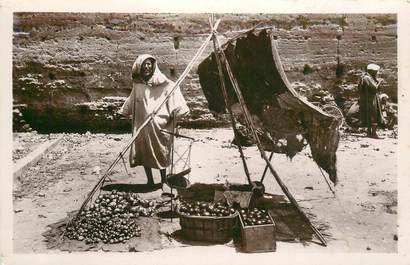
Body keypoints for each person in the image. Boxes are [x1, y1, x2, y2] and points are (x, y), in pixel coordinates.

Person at [118, 54, 190, 186]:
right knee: (144, 152)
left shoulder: (165, 84)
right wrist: (123, 112)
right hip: (142, 125)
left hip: (159, 126)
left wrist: (178, 114)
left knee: (161, 152)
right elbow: (131, 100)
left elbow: (175, 96)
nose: (146, 67)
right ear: (139, 67)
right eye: (143, 65)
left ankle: (163, 180)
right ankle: (150, 180)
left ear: (153, 66)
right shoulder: (138, 85)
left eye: (149, 64)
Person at [358, 63, 384, 139]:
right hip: (370, 99)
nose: (376, 73)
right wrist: (380, 82)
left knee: (370, 115)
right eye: (375, 72)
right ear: (372, 71)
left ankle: (369, 132)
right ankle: (373, 133)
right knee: (373, 115)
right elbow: (375, 88)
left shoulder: (368, 77)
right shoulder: (367, 78)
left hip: (370, 99)